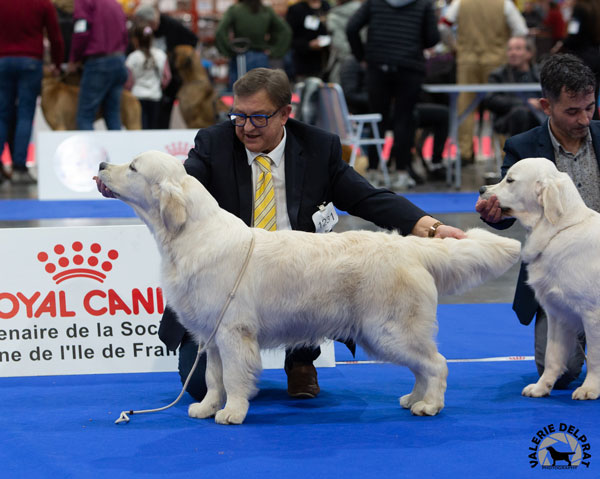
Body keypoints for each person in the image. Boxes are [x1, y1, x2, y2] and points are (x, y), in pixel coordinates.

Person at [96, 67, 466, 401]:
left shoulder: (319, 147)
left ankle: (300, 360)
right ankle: (244, 372)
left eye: (259, 117)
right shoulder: (214, 144)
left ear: (285, 114)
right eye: (238, 116)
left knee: (311, 283)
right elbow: (178, 182)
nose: (247, 127)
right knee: (196, 386)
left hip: (301, 279)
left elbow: (368, 198)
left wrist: (431, 228)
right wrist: (124, 185)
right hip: (228, 282)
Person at [475, 53, 599, 388]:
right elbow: (506, 207)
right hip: (559, 274)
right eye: (572, 111)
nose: (585, 119)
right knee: (560, 373)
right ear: (547, 105)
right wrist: (494, 213)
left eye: (590, 107)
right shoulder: (523, 146)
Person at [346, 0, 441, 190]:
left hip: (378, 66)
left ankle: (373, 171)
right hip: (410, 67)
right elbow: (432, 38)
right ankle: (402, 172)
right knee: (404, 120)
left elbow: (351, 28)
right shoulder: (424, 4)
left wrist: (362, 56)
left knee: (377, 119)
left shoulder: (374, 2)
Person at [441, 0, 528, 164]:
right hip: (497, 60)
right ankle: (505, 150)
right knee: (501, 102)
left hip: (467, 60)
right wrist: (508, 48)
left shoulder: (460, 3)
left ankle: (465, 152)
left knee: (465, 105)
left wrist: (454, 46)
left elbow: (443, 26)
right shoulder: (504, 4)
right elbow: (521, 29)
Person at [0, 0, 64, 184]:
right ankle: (20, 169)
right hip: (30, 62)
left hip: (3, 61)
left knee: (2, 115)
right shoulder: (42, 3)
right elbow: (55, 37)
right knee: (25, 115)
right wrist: (57, 64)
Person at [133, 4, 199, 129]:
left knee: (163, 118)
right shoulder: (141, 30)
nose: (154, 26)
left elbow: (193, 40)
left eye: (154, 23)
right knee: (144, 120)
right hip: (147, 82)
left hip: (169, 80)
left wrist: (180, 61)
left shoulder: (171, 25)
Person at [68, 0, 129, 130]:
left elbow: (81, 32)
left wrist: (74, 58)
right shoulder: (115, 4)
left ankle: (88, 151)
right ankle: (119, 150)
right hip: (119, 60)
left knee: (85, 116)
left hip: (98, 63)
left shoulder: (84, 2)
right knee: (113, 115)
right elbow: (125, 34)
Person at [215, 0, 291, 89]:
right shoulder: (266, 10)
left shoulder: (235, 9)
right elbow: (285, 31)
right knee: (261, 90)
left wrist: (227, 51)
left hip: (240, 57)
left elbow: (220, 32)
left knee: (240, 92)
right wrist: (275, 51)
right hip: (261, 57)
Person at [485, 36, 544, 139]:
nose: (513, 53)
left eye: (518, 49)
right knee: (520, 113)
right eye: (510, 49)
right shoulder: (498, 75)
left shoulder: (540, 73)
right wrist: (526, 103)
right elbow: (491, 99)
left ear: (529, 53)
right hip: (509, 117)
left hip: (540, 115)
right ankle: (519, 153)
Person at [125, 25, 171, 130]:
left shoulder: (133, 57)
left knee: (139, 126)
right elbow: (166, 78)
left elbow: (128, 81)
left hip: (137, 96)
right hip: (156, 96)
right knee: (154, 127)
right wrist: (160, 86)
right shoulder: (161, 55)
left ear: (136, 40)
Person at [285, 0, 331, 81]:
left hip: (326, 61)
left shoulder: (326, 6)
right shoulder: (296, 9)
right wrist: (308, 45)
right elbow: (289, 38)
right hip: (304, 64)